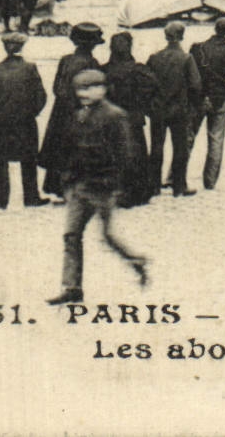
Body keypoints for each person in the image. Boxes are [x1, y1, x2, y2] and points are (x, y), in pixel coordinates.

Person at [45, 69, 148, 306]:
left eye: (88, 89)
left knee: (108, 236)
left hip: (103, 187)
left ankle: (136, 261)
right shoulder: (80, 115)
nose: (83, 94)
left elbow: (126, 155)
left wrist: (117, 185)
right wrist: (68, 179)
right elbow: (71, 148)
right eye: (80, 90)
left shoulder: (115, 116)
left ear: (101, 89)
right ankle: (72, 288)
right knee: (71, 235)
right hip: (81, 185)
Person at [0, 32, 48, 209]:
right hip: (25, 122)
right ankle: (31, 197)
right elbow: (41, 97)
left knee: (0, 161)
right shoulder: (30, 68)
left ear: (5, 48)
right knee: (28, 160)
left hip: (1, 123)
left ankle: (1, 199)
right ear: (22, 47)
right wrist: (30, 113)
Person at [37, 22, 105, 199]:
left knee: (60, 147)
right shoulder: (92, 63)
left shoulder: (66, 60)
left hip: (61, 111)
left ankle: (56, 186)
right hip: (80, 111)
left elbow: (56, 87)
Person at [145, 21, 202, 196]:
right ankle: (179, 186)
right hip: (179, 110)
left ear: (166, 36)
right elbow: (195, 85)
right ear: (182, 36)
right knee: (180, 148)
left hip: (158, 109)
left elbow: (146, 84)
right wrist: (194, 107)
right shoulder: (186, 58)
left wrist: (150, 105)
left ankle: (154, 186)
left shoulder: (154, 58)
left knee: (156, 147)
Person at [189, 17, 225, 189]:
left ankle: (175, 175)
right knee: (216, 140)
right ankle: (210, 181)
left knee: (188, 137)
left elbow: (189, 75)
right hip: (220, 98)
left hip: (198, 98)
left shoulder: (197, 48)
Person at [102, 31, 156, 206]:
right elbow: (152, 88)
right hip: (132, 118)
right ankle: (136, 192)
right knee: (136, 154)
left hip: (110, 119)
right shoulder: (138, 70)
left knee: (111, 154)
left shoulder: (104, 70)